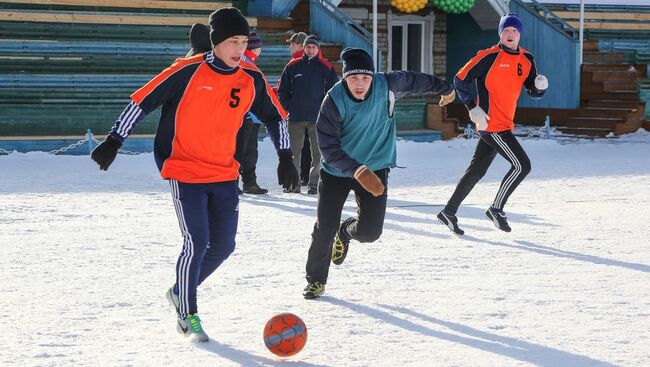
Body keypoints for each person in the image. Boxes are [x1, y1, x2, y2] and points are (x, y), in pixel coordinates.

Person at [90, 7, 299, 342]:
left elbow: (275, 117)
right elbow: (142, 101)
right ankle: (188, 314)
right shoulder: (186, 71)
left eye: (244, 42)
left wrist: (285, 155)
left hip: (224, 173)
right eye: (233, 41)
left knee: (224, 246)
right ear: (216, 42)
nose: (239, 49)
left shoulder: (251, 79)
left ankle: (179, 290)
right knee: (196, 242)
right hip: (184, 169)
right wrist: (114, 140)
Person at [302, 48, 456, 299]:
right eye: (353, 78)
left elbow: (417, 80)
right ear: (344, 78)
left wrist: (445, 88)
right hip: (337, 172)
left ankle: (345, 232)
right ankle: (316, 280)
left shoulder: (388, 86)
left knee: (370, 232)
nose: (359, 84)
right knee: (324, 227)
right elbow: (328, 148)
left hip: (376, 168)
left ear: (372, 76)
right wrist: (357, 170)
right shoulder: (334, 99)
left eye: (365, 78)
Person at [436, 13, 547, 235]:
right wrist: (471, 107)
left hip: (505, 123)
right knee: (522, 166)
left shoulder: (527, 59)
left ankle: (448, 212)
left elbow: (531, 90)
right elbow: (460, 79)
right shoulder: (488, 56)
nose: (510, 34)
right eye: (506, 30)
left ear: (519, 34)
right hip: (491, 124)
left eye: (514, 31)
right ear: (500, 33)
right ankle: (496, 209)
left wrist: (540, 88)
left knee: (476, 171)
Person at [278, 35, 339, 194]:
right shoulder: (292, 66)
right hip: (296, 118)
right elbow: (283, 91)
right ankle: (294, 184)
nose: (311, 50)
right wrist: (290, 106)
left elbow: (334, 92)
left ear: (318, 49)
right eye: (308, 47)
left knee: (318, 155)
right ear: (304, 48)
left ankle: (314, 185)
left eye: (313, 47)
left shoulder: (326, 67)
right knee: (293, 154)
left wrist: (325, 111)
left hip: (318, 119)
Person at [236, 31, 269, 194]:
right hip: (245, 116)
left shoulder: (249, 62)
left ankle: (249, 183)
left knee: (249, 152)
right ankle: (235, 182)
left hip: (252, 116)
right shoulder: (245, 63)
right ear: (255, 48)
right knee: (240, 151)